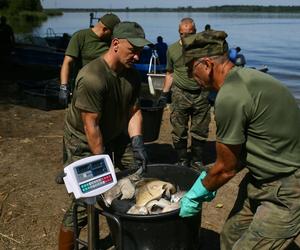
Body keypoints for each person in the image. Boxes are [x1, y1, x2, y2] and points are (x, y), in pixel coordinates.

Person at [179, 30, 300, 249]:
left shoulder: (230, 95)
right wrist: (210, 174)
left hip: (287, 189)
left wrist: (197, 193)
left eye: (190, 68)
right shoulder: (250, 77)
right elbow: (255, 142)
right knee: (230, 237)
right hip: (260, 177)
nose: (189, 75)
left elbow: (227, 168)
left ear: (206, 65)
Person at [57, 21, 151, 250]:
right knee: (85, 200)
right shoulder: (92, 77)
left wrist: (137, 142)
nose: (137, 57)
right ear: (116, 44)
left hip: (114, 132)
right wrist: (103, 166)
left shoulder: (132, 75)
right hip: (83, 139)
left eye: (140, 51)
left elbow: (134, 111)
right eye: (133, 50)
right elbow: (91, 126)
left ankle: (129, 230)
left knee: (139, 173)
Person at [158, 17, 211, 170]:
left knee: (200, 130)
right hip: (179, 94)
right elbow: (170, 73)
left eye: (190, 33)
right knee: (178, 130)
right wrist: (164, 94)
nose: (186, 37)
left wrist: (214, 91)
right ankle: (182, 159)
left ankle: (196, 160)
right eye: (183, 34)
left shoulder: (203, 48)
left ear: (195, 32)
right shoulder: (172, 49)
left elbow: (212, 72)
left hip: (201, 95)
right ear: (179, 33)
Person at [58, 13, 121, 107]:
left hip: (107, 88)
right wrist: (63, 87)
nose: (114, 36)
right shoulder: (80, 36)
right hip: (84, 88)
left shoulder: (112, 42)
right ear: (105, 29)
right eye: (112, 33)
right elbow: (67, 62)